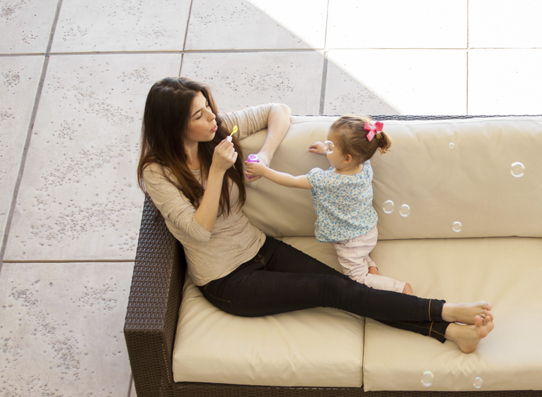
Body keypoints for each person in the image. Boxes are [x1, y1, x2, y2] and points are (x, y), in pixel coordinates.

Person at [136, 77, 493, 353]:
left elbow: (278, 109)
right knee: (331, 289)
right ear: (174, 126)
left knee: (348, 289)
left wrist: (267, 155)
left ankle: (450, 333)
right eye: (200, 115)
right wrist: (215, 172)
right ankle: (446, 311)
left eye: (209, 107)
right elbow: (198, 232)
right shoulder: (158, 173)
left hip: (260, 247)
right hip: (227, 280)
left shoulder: (216, 132)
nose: (213, 117)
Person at [245, 115, 410, 294]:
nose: (327, 147)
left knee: (357, 279)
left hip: (351, 242)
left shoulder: (327, 180)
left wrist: (264, 171)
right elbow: (351, 155)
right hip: (369, 230)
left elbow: (292, 181)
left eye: (330, 147)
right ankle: (370, 264)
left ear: (347, 158)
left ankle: (399, 288)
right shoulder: (364, 164)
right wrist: (327, 150)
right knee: (360, 255)